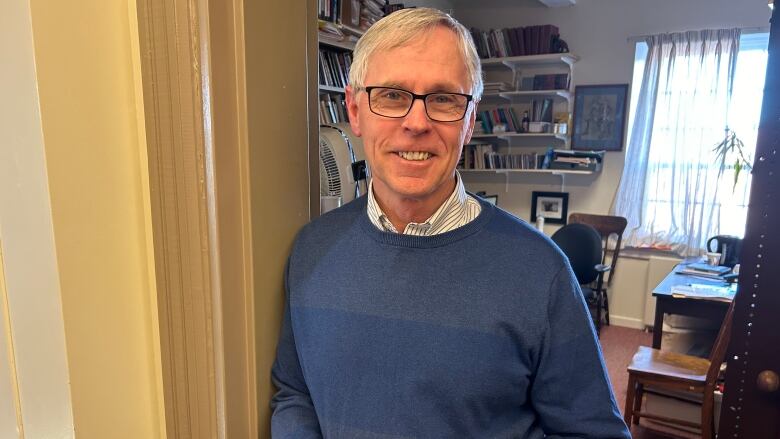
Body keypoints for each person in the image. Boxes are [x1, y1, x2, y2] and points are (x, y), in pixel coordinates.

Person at [271, 8, 630, 438]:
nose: (416, 123)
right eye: (390, 95)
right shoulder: (311, 251)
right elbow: (294, 394)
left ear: (471, 120)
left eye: (443, 99)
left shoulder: (540, 273)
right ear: (355, 110)